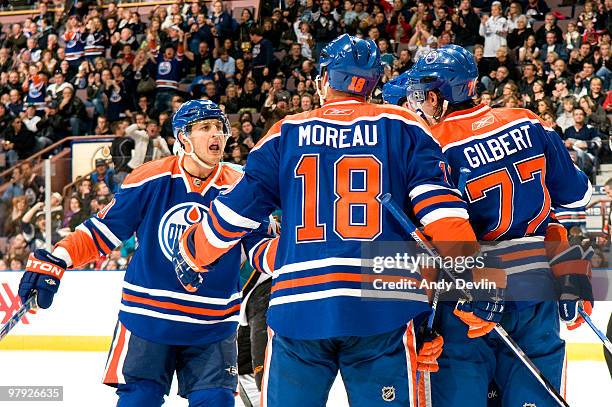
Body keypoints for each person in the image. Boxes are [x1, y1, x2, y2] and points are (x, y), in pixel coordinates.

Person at [173, 34, 482, 406]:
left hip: (299, 304)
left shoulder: (285, 131)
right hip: (382, 304)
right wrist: (478, 283)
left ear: (323, 79)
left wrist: (194, 252)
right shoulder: (403, 125)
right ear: (373, 82)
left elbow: (233, 215)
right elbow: (442, 213)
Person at [18, 100, 274, 407]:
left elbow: (259, 248)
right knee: (140, 400)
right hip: (148, 319)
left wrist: (291, 258)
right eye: (205, 128)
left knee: (215, 401)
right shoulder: (149, 178)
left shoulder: (241, 185)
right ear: (183, 137)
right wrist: (59, 256)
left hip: (213, 325)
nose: (215, 134)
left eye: (219, 127)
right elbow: (102, 231)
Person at [393, 44, 593, 406]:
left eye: (419, 96)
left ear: (436, 97)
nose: (416, 106)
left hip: (467, 300)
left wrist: (416, 318)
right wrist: (569, 263)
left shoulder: (430, 145)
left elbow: (421, 237)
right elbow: (578, 197)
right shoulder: (528, 121)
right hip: (537, 289)